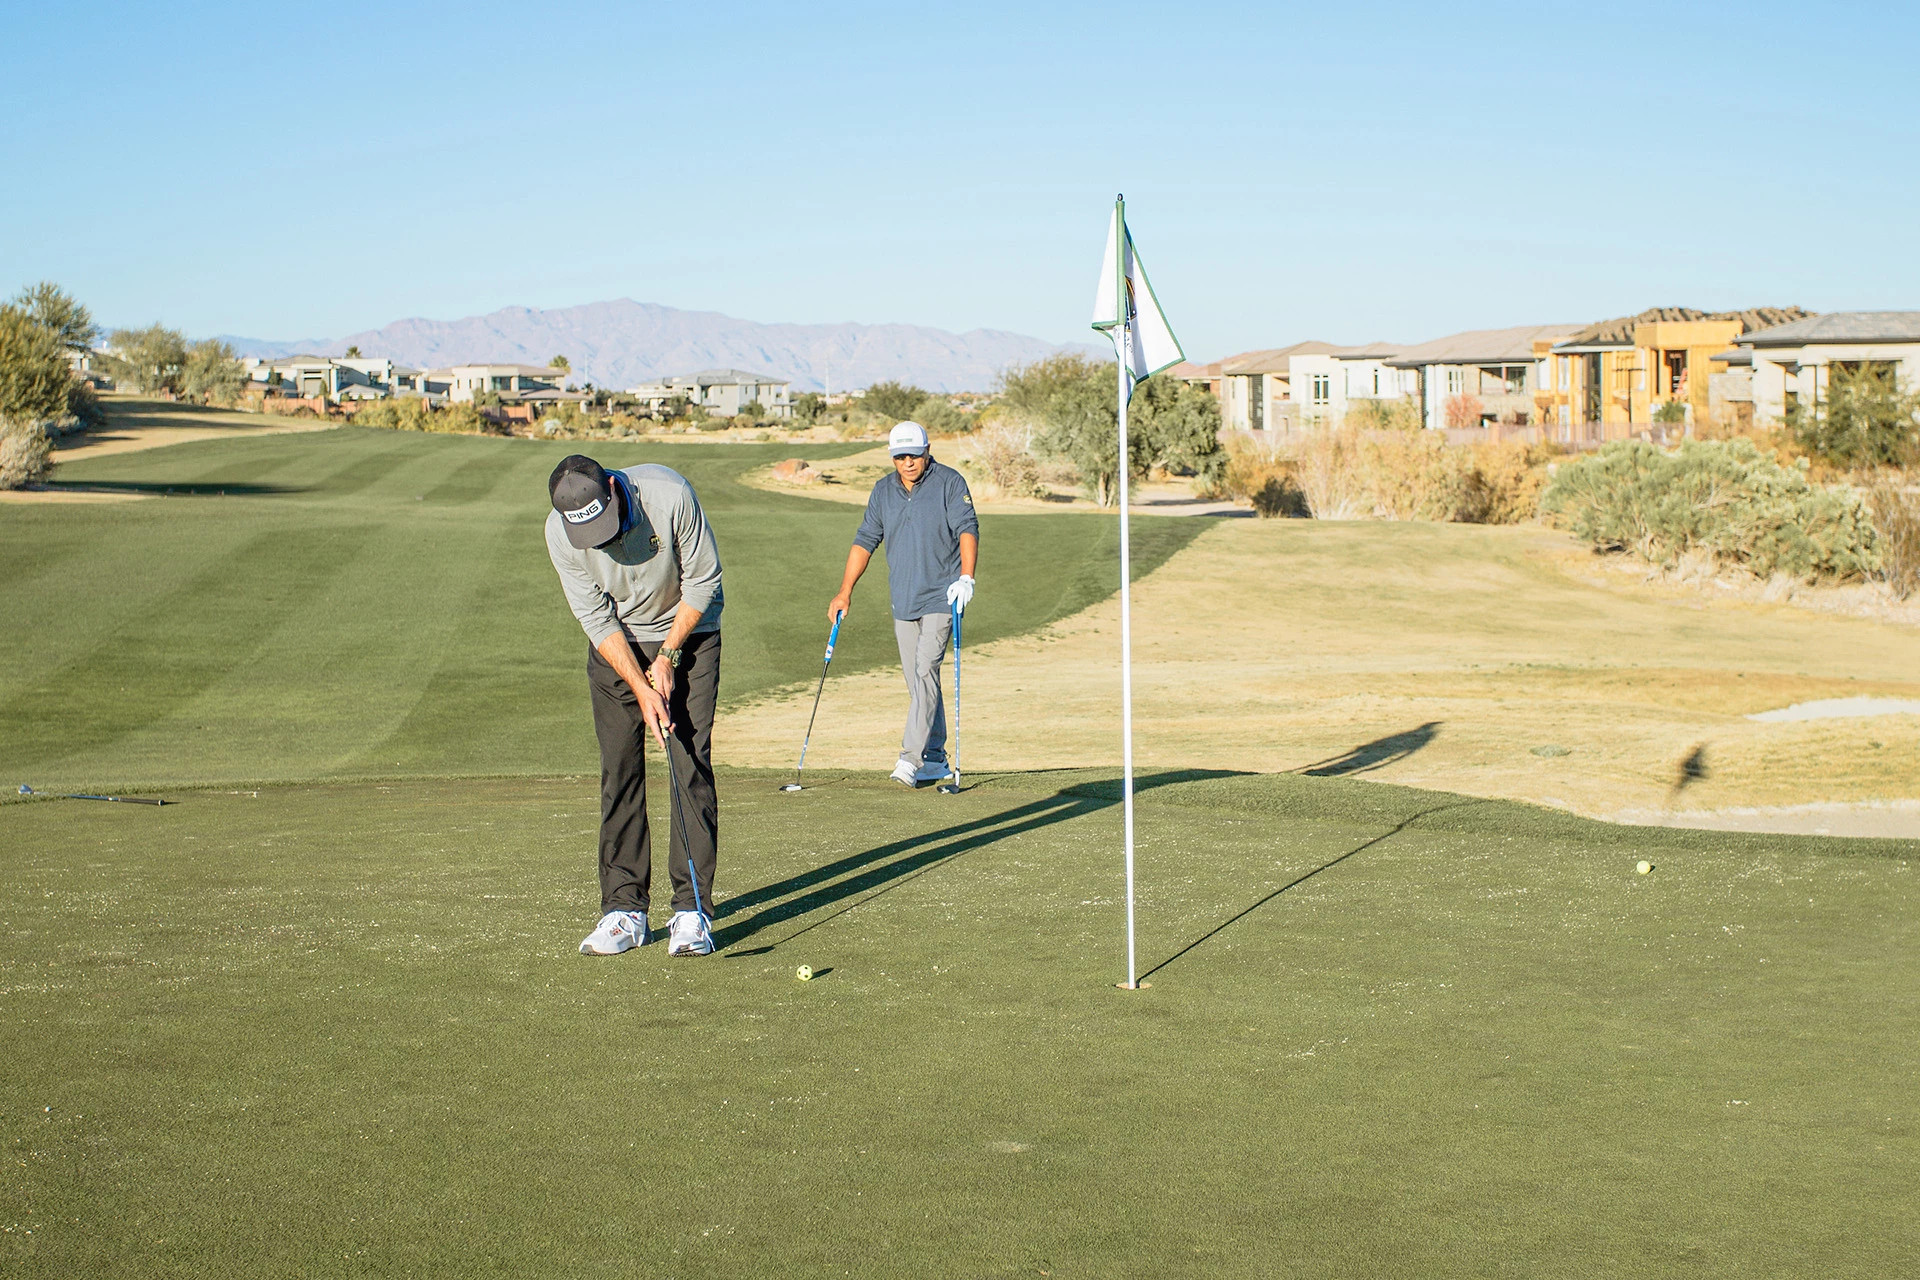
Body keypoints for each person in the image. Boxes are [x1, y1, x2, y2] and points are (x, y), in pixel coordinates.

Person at [545, 453, 724, 957]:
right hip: (618, 644)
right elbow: (597, 620)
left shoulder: (669, 495)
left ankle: (692, 911)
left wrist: (668, 657)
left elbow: (705, 582)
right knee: (620, 771)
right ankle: (624, 910)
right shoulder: (560, 533)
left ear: (616, 491)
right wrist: (641, 686)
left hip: (691, 630)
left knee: (688, 764)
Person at [826, 420, 978, 788]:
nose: (908, 462)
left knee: (925, 671)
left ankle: (910, 759)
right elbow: (865, 540)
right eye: (900, 456)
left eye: (914, 454)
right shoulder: (882, 491)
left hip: (943, 595)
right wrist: (845, 590)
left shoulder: (949, 482)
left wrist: (966, 578)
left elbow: (967, 529)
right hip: (903, 599)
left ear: (928, 450)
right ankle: (936, 758)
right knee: (918, 682)